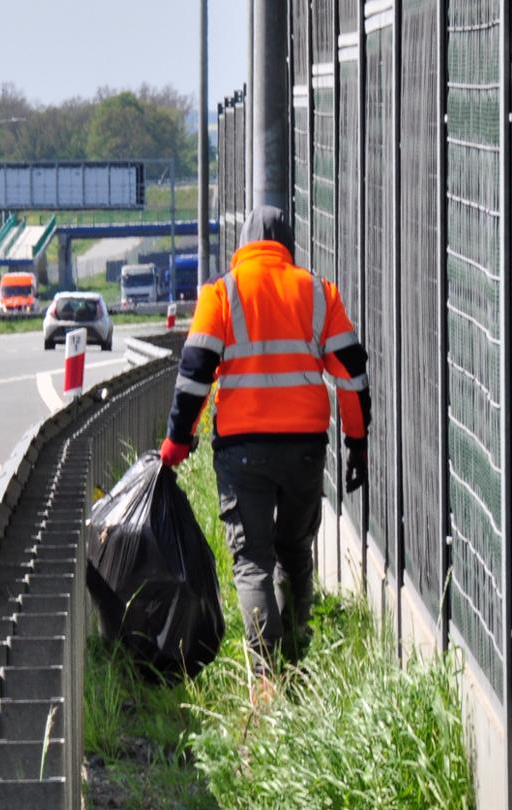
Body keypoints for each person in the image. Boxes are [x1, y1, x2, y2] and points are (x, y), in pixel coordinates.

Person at [159, 205, 370, 668]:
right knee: (294, 549)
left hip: (242, 450)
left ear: (244, 245)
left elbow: (194, 374)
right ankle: (299, 644)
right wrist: (357, 441)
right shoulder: (319, 293)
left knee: (252, 560)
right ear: (286, 247)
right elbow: (352, 374)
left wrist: (178, 440)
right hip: (305, 448)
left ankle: (267, 672)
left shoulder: (222, 292)